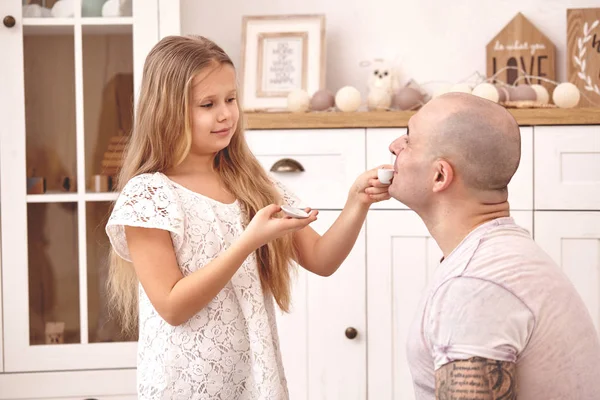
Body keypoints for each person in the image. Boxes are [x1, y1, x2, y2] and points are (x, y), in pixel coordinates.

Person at [104, 35, 390, 400]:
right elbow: (173, 307)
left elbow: (322, 259)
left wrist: (356, 202)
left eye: (231, 99)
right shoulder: (149, 195)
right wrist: (248, 242)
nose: (225, 114)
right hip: (183, 386)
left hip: (254, 379)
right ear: (167, 110)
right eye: (207, 104)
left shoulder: (252, 182)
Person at [387, 92, 600, 399]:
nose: (394, 145)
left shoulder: (474, 285)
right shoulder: (499, 253)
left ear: (439, 175)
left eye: (409, 139)